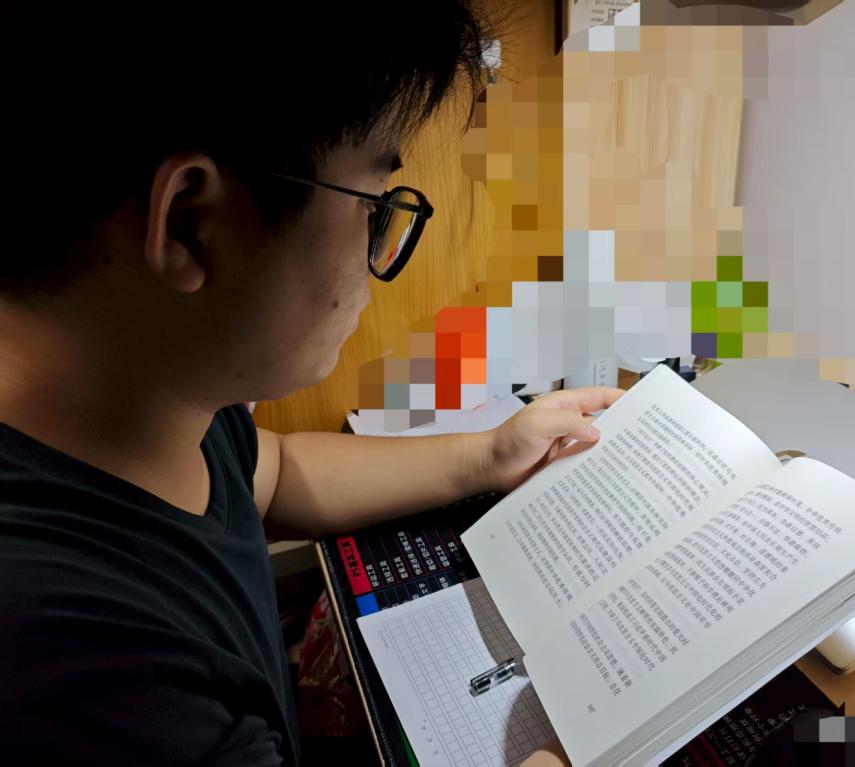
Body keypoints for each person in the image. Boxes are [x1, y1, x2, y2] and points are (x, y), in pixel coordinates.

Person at [0, 4, 620, 765]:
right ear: (191, 222)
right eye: (375, 205)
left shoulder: (140, 401)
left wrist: (488, 454)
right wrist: (593, 738)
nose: (378, 252)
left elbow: (275, 472)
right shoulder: (94, 681)